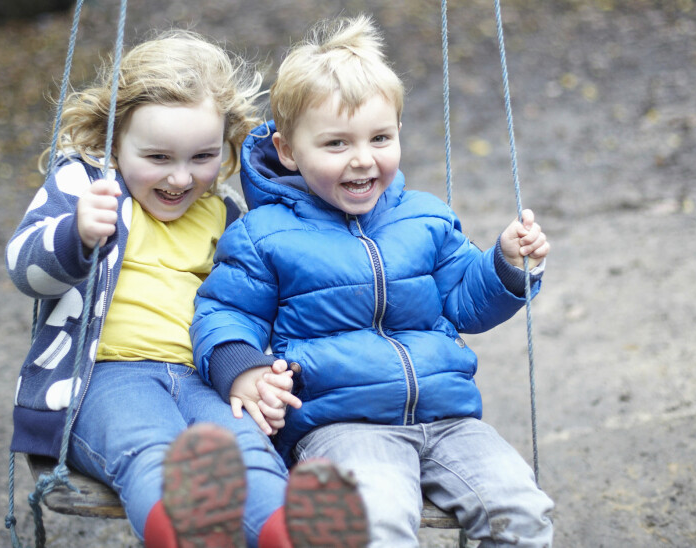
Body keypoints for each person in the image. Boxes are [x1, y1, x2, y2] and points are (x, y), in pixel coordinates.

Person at [191, 15, 555, 547]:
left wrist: (505, 266)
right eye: (336, 144)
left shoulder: (425, 218)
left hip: (450, 418)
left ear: (398, 134)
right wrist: (241, 369)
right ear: (289, 151)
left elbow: (464, 303)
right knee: (376, 525)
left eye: (379, 137)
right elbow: (224, 311)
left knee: (520, 510)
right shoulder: (263, 235)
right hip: (343, 427)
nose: (363, 159)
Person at [5, 29, 367, 548]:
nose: (180, 178)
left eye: (203, 157)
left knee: (247, 449)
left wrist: (255, 371)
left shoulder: (224, 214)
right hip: (105, 379)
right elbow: (24, 269)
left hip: (202, 378)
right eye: (157, 158)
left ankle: (284, 532)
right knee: (148, 447)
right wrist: (76, 234)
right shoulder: (88, 189)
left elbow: (248, 305)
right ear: (113, 141)